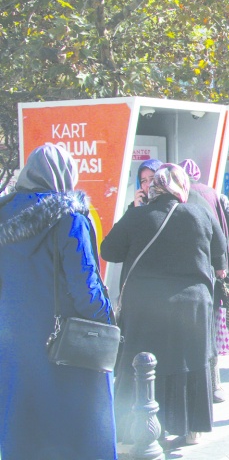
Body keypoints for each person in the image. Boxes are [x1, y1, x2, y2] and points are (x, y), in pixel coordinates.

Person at [0, 143, 117, 460]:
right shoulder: (70, 218)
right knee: (76, 436)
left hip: (12, 344)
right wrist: (109, 323)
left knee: (21, 432)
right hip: (64, 347)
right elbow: (87, 290)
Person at [102, 163, 227, 446]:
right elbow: (220, 250)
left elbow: (108, 250)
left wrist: (134, 212)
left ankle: (135, 429)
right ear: (181, 185)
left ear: (154, 188)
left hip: (146, 306)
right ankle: (190, 428)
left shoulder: (139, 216)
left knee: (142, 365)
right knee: (189, 364)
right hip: (192, 305)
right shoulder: (200, 213)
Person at [179, 158, 229, 402]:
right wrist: (222, 265)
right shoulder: (211, 193)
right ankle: (215, 385)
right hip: (210, 265)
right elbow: (222, 229)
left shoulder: (184, 195)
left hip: (190, 268)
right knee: (208, 323)